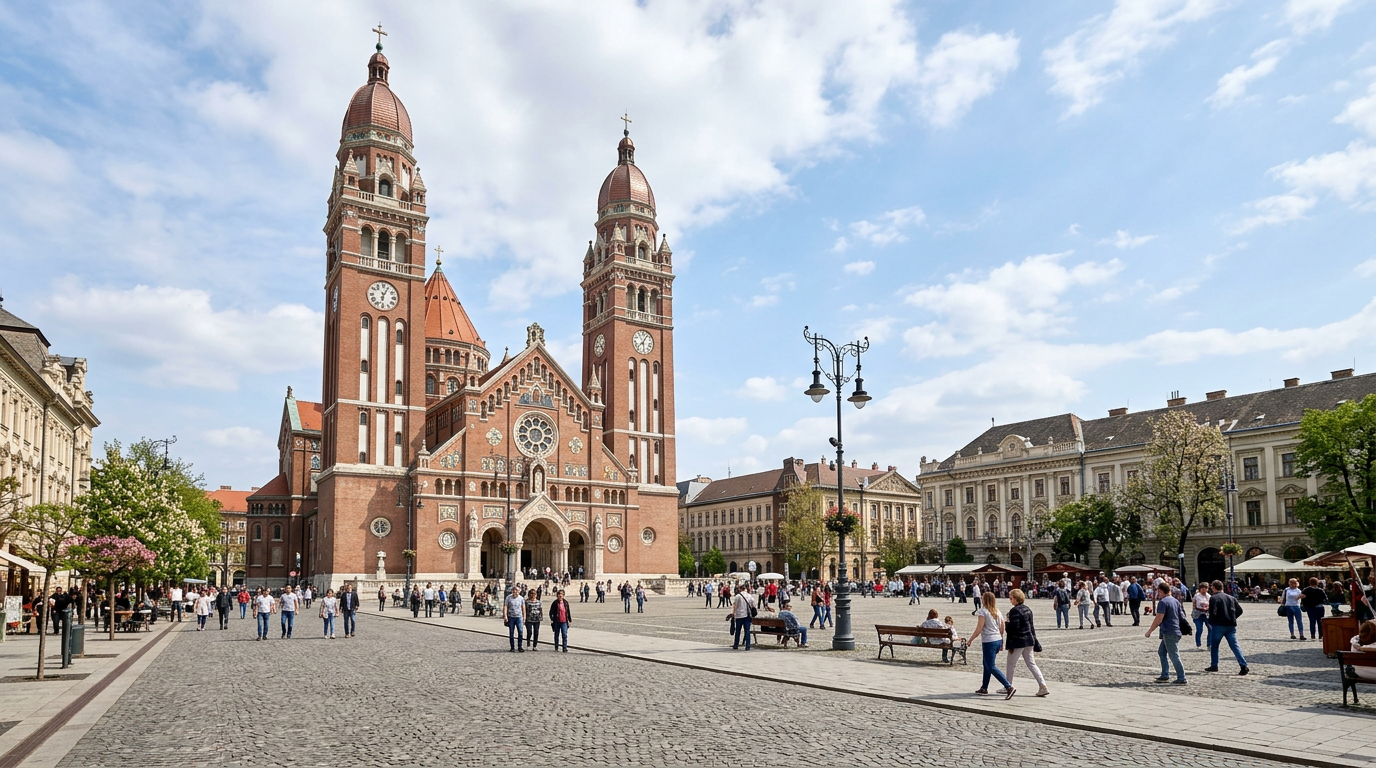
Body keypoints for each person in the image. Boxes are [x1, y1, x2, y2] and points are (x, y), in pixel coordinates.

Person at [1004, 589, 1049, 697]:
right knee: (1031, 664)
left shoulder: (1014, 611)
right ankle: (1042, 685)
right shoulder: (1027, 609)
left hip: (1018, 641)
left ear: (1016, 598)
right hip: (1029, 640)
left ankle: (1008, 686)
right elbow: (1031, 627)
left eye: (1011, 598)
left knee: (1011, 664)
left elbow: (1013, 628)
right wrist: (1035, 640)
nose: (1010, 600)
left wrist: (1006, 623)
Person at [972, 591, 1014, 698]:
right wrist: (1000, 639)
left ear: (984, 600)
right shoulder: (997, 612)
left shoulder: (983, 612)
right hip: (997, 639)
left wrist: (970, 640)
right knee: (986, 664)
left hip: (989, 641)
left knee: (991, 666)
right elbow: (1002, 627)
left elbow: (979, 628)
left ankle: (1009, 686)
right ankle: (984, 687)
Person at [1145, 582, 1186, 684]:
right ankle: (1165, 675)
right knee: (1162, 652)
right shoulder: (1175, 601)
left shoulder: (1163, 602)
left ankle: (1182, 677)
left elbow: (1159, 618)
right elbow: (1182, 616)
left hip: (1169, 631)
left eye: (1158, 592)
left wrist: (1150, 631)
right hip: (1175, 630)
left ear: (1160, 591)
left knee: (1174, 655)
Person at [1206, 579, 1249, 675]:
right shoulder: (1231, 598)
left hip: (1218, 625)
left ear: (1213, 587)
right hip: (1230, 625)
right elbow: (1240, 610)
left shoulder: (1214, 598)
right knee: (1235, 646)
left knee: (1215, 646)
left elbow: (1213, 612)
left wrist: (1211, 622)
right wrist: (1233, 617)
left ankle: (1214, 665)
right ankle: (1243, 665)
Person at [731, 584, 758, 650]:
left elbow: (735, 605)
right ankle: (747, 646)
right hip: (747, 616)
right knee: (747, 631)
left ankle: (736, 644)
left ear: (740, 589)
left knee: (738, 631)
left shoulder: (738, 596)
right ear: (745, 589)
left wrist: (733, 613)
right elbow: (753, 605)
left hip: (739, 615)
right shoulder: (749, 596)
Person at [1302, 577, 1328, 642]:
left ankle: (1313, 635)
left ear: (1310, 582)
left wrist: (1306, 605)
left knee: (1312, 621)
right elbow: (1325, 599)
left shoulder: (1306, 590)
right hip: (1319, 607)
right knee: (1320, 622)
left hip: (1310, 607)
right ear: (1317, 583)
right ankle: (1321, 635)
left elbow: (1303, 599)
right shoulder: (1320, 590)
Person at [503, 587, 526, 652]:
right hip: (511, 617)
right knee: (511, 632)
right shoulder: (508, 598)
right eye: (514, 591)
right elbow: (505, 607)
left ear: (518, 592)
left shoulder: (521, 598)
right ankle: (512, 647)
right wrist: (505, 616)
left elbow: (523, 608)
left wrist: (524, 618)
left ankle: (520, 647)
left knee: (520, 632)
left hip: (519, 617)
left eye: (516, 591)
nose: (515, 592)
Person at [1191, 582, 1212, 649]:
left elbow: (1210, 604)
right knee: (1199, 629)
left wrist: (1207, 606)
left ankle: (1209, 644)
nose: (1204, 589)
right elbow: (1195, 604)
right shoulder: (1197, 596)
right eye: (1202, 588)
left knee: (1210, 628)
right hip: (1198, 614)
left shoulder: (1209, 596)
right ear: (1200, 589)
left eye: (1205, 588)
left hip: (1207, 614)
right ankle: (1198, 644)